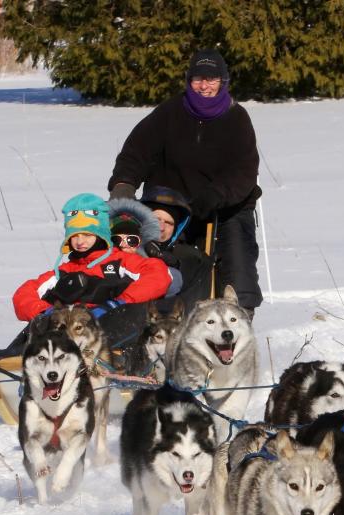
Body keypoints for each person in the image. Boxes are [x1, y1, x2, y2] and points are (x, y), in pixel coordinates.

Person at [107, 49, 262, 316]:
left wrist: (216, 194)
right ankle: (140, 312)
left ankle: (239, 316)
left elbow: (244, 170)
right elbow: (136, 152)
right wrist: (124, 184)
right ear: (189, 80)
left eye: (212, 80)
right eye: (198, 79)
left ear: (223, 82)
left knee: (237, 257)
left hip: (224, 206)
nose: (204, 86)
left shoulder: (237, 119)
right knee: (143, 251)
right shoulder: (168, 113)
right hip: (172, 205)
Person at [12, 192, 173, 347]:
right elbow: (24, 294)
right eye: (75, 235)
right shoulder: (65, 271)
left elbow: (158, 275)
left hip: (114, 329)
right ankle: (7, 356)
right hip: (67, 335)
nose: (80, 241)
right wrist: (46, 312)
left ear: (101, 234)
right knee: (39, 325)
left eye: (87, 235)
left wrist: (121, 302)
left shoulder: (120, 261)